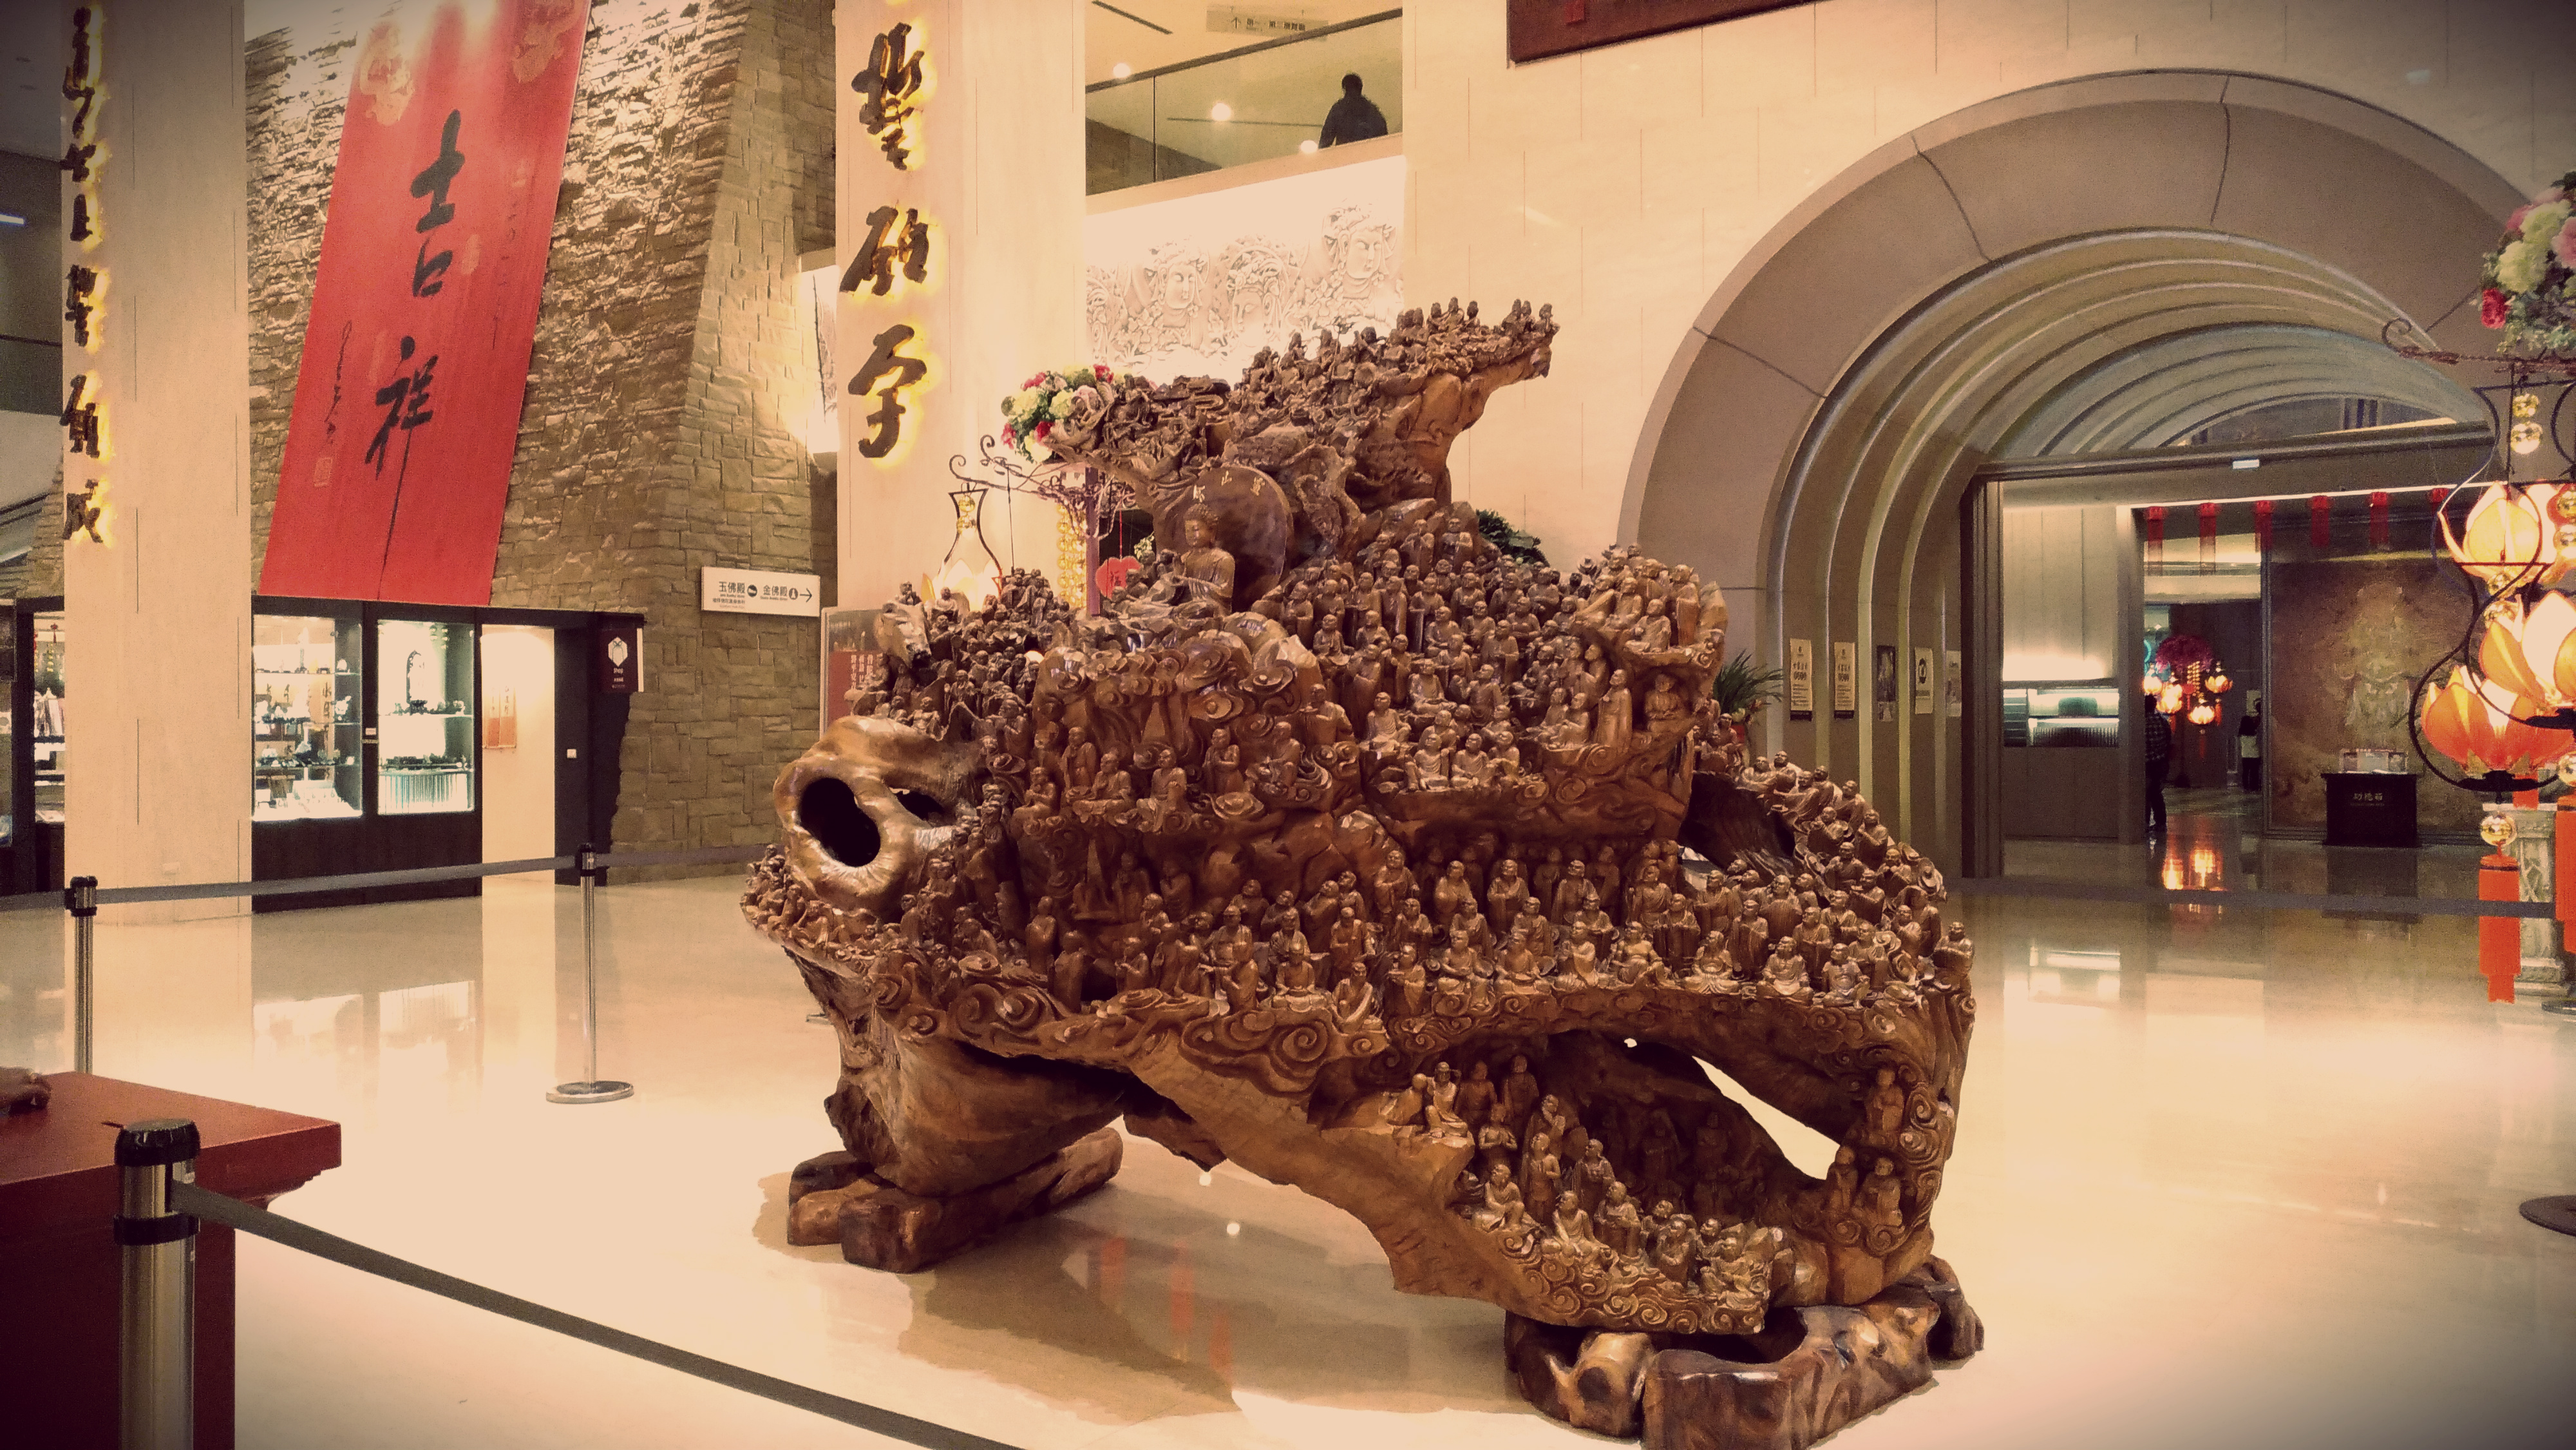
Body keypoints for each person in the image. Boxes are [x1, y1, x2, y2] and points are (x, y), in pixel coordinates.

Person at [1318, 72, 1387, 148]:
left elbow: (1326, 139)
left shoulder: (1339, 109)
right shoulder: (1373, 111)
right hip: (1369, 152)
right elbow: (1384, 139)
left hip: (1346, 152)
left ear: (1344, 89)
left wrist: (1321, 152)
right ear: (1361, 88)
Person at [2144, 707, 2172, 837]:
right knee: (2156, 794)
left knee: (2145, 794)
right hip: (2160, 762)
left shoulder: (2141, 722)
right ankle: (2160, 823)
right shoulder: (2162, 721)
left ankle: (2144, 822)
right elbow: (2169, 741)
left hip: (2146, 763)